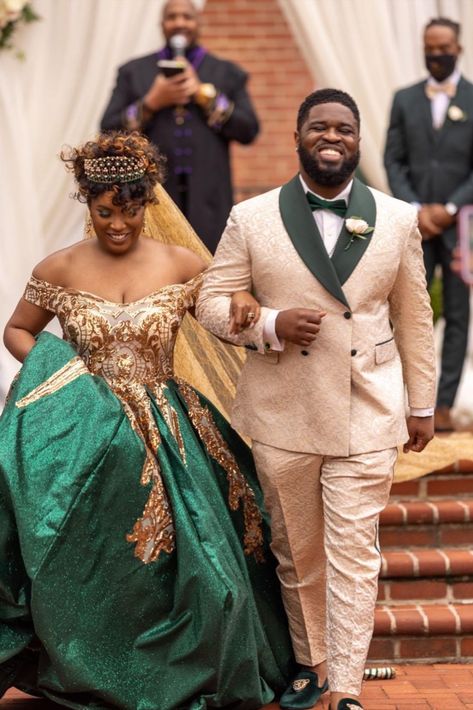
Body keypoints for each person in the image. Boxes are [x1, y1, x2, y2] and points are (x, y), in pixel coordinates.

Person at [0, 131, 294, 709]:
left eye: (129, 211)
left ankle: (180, 670)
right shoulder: (57, 267)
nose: (116, 224)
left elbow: (221, 318)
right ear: (87, 204)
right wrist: (63, 380)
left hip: (170, 429)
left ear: (147, 204)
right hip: (83, 435)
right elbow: (17, 330)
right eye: (104, 211)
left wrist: (248, 310)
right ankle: (91, 667)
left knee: (204, 569)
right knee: (92, 564)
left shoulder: (185, 263)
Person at [196, 88, 436, 710]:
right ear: (298, 137)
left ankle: (348, 687)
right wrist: (270, 325)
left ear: (358, 141)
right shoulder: (252, 218)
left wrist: (423, 403)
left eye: (345, 129)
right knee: (297, 550)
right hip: (284, 409)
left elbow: (414, 316)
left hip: (370, 406)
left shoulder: (398, 217)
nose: (332, 137)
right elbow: (210, 303)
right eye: (320, 127)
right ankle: (312, 665)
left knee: (355, 552)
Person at [100, 0, 259, 254]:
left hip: (209, 197)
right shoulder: (134, 72)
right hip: (151, 197)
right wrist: (151, 103)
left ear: (199, 23)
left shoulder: (227, 73)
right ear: (162, 25)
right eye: (172, 17)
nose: (179, 23)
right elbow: (107, 130)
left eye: (187, 16)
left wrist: (203, 95)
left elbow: (249, 130)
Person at [384, 17, 473, 433]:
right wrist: (414, 208)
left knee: (457, 315)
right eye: (429, 48)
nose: (436, 54)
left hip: (462, 228)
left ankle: (444, 405)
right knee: (411, 309)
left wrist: (450, 209)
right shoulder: (404, 99)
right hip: (413, 224)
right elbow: (393, 159)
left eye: (443, 47)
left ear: (458, 48)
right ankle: (408, 400)